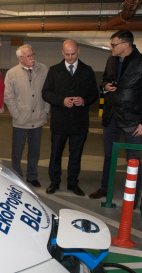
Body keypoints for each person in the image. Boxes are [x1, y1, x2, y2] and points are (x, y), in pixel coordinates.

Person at [89, 30, 142, 201]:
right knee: (109, 155)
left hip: (133, 119)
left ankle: (133, 196)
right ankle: (105, 187)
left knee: (133, 158)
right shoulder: (111, 60)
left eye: (113, 45)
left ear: (125, 45)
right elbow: (104, 80)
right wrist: (105, 86)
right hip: (111, 116)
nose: (110, 47)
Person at [41, 39, 98, 196]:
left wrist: (84, 101)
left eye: (73, 53)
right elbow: (45, 93)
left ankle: (73, 183)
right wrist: (62, 101)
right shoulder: (54, 71)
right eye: (67, 54)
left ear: (78, 51)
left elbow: (95, 94)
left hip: (79, 122)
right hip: (60, 121)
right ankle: (54, 182)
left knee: (76, 155)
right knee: (55, 154)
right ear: (62, 53)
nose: (70, 57)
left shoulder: (87, 71)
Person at [4, 44, 50, 188]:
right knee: (17, 151)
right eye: (28, 56)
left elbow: (48, 91)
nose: (32, 58)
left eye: (32, 54)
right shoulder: (12, 73)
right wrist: (16, 115)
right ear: (20, 58)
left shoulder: (43, 70)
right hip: (21, 120)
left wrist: (45, 110)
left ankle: (32, 175)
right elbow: (8, 97)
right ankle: (16, 175)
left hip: (38, 119)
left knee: (35, 150)